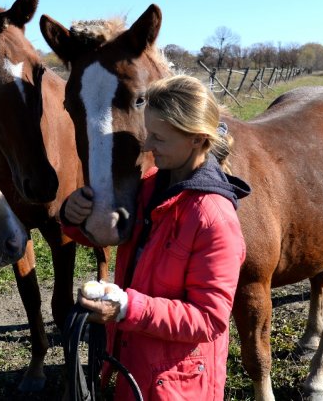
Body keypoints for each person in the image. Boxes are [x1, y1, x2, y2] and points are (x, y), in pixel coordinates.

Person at [60, 74, 250, 400]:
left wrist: (126, 308)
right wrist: (73, 217)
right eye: (149, 134)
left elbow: (209, 319)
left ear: (195, 139)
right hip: (136, 363)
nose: (147, 146)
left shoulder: (213, 218)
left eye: (159, 138)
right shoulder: (151, 185)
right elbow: (121, 236)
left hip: (176, 383)